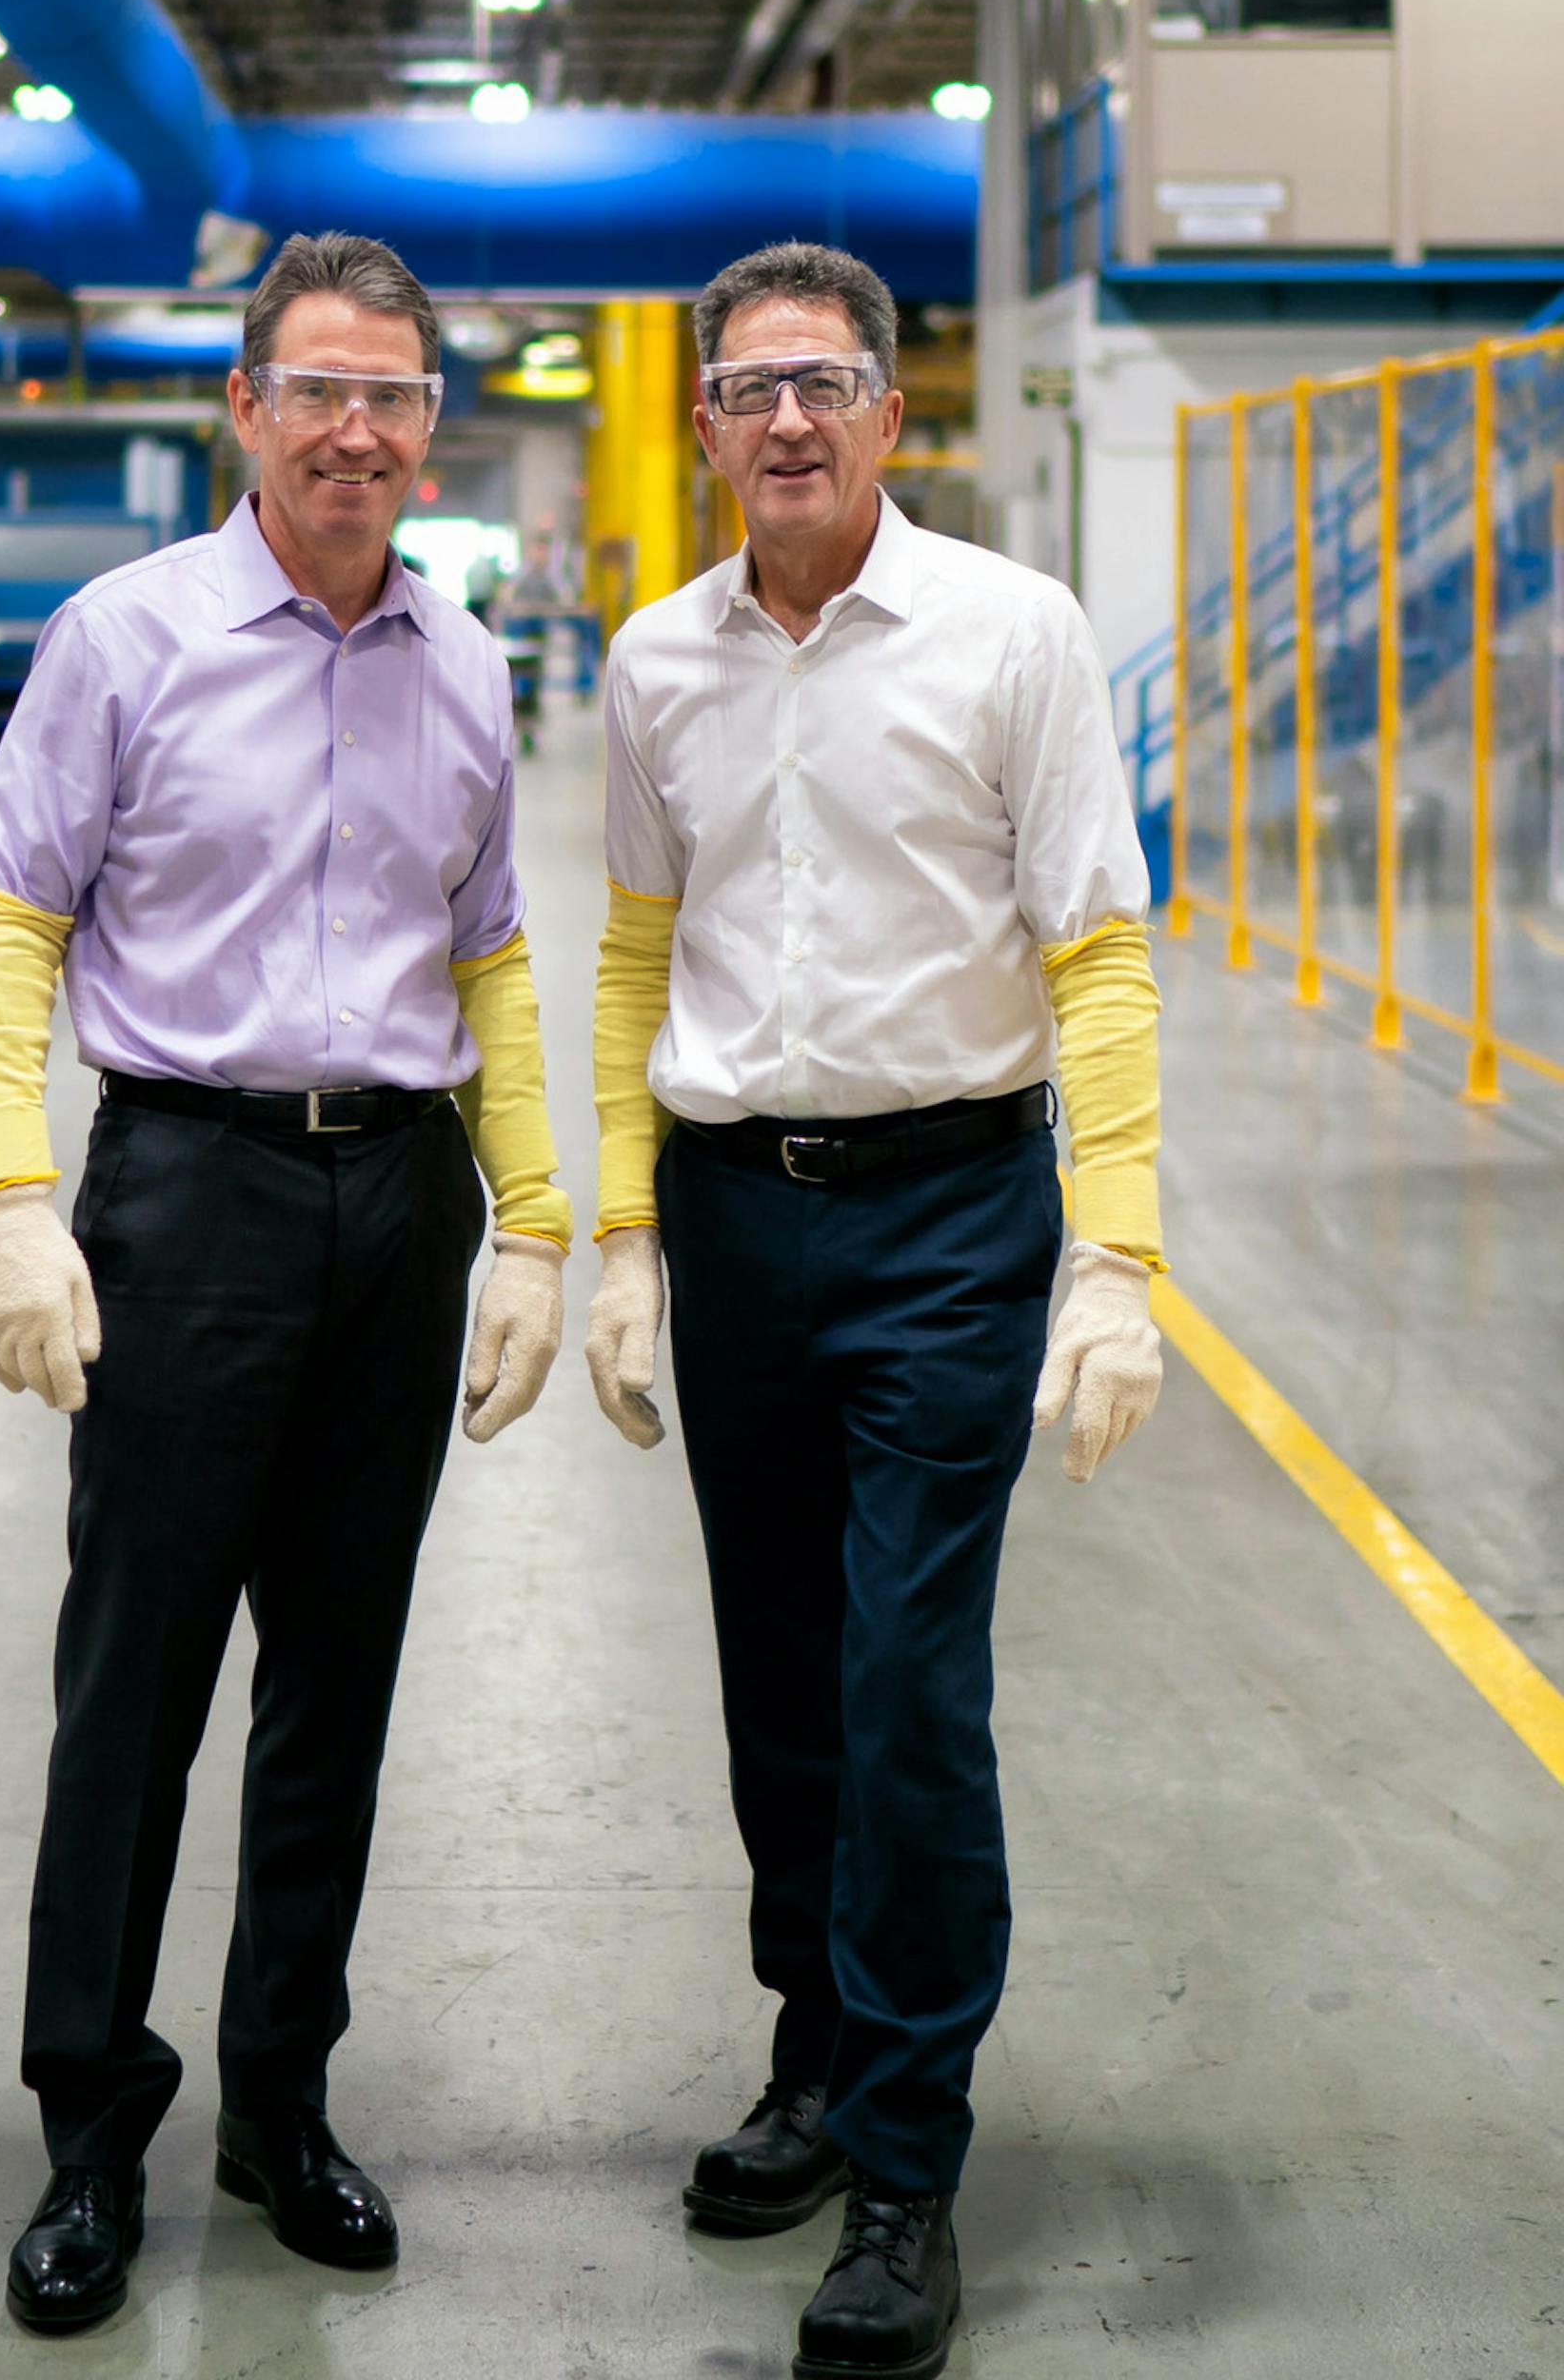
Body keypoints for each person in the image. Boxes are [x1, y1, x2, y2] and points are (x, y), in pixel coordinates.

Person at [0, 229, 573, 2337]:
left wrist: (541, 1221)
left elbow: (483, 950)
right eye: (318, 389)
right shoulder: (122, 642)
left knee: (338, 1682)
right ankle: (90, 2135)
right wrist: (0, 1194)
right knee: (136, 1686)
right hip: (189, 1196)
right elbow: (13, 915)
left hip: (399, 1205)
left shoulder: (465, 662)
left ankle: (280, 2104)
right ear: (245, 406)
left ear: (426, 424)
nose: (357, 430)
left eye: (393, 395)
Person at [584, 240, 1166, 2380]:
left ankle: (910, 2160)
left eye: (828, 379)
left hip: (947, 1220)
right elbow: (642, 955)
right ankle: (819, 2053)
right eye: (752, 388)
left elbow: (1094, 953)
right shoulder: (658, 661)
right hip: (740, 1216)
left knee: (912, 1681)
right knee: (783, 1687)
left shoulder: (1012, 633)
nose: (793, 419)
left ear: (891, 412)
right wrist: (630, 1232)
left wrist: (1121, 1252)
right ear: (711, 421)